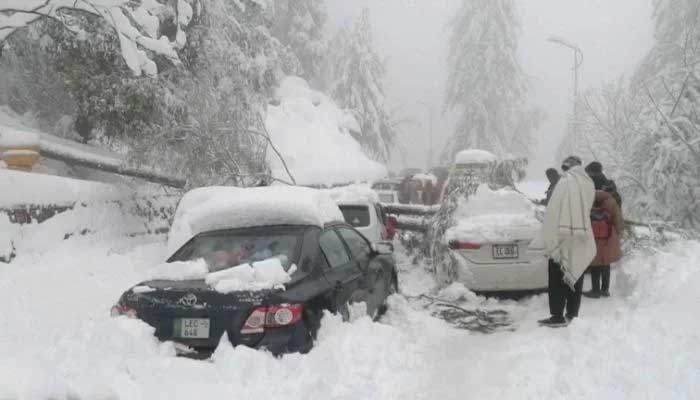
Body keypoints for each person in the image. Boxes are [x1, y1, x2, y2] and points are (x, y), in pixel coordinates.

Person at [531, 156, 597, 327]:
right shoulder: (589, 182)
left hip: (562, 236)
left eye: (565, 168)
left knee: (557, 277)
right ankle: (573, 314)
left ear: (568, 167)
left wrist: (549, 232)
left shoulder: (566, 181)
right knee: (576, 272)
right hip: (582, 235)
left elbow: (554, 209)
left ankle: (557, 316)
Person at [584, 169, 625, 298]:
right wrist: (618, 232)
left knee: (595, 263)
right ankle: (604, 290)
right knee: (605, 263)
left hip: (593, 236)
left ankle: (595, 291)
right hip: (608, 237)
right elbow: (618, 220)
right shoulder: (611, 200)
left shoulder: (587, 199)